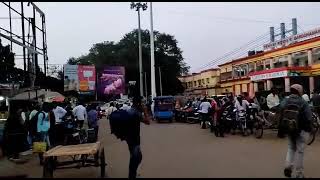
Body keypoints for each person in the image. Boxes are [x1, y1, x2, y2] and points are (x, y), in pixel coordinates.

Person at [279, 84, 312, 178]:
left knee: (291, 148)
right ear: (300, 91)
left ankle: (288, 166)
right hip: (300, 130)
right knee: (300, 151)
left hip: (289, 129)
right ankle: (299, 174)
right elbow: (309, 117)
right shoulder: (303, 102)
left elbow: (280, 110)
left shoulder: (286, 100)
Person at [125, 96, 150, 178]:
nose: (143, 104)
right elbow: (147, 122)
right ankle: (132, 175)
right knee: (137, 158)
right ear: (138, 103)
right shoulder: (136, 113)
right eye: (142, 102)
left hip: (129, 138)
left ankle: (133, 174)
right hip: (134, 139)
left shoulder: (130, 111)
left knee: (135, 157)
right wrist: (145, 111)